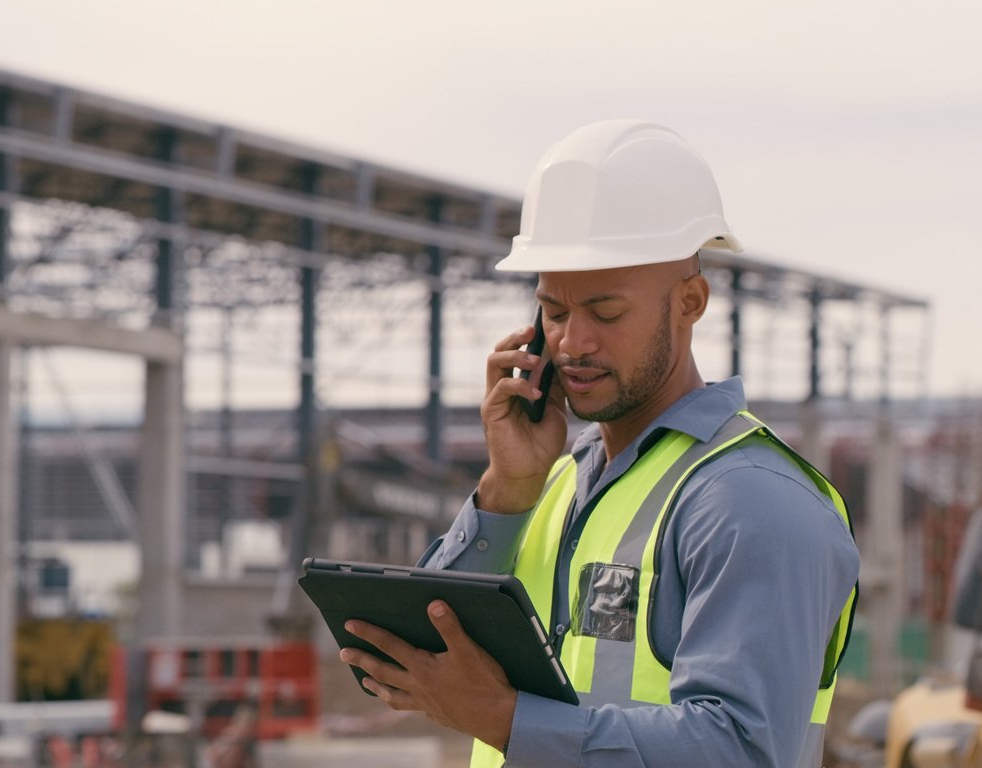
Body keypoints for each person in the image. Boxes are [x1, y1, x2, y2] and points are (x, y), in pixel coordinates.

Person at [338, 119, 860, 768]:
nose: (571, 343)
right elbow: (416, 654)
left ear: (689, 301)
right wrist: (507, 488)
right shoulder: (548, 487)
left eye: (605, 313)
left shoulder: (753, 504)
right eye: (553, 312)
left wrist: (505, 721)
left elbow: (740, 750)